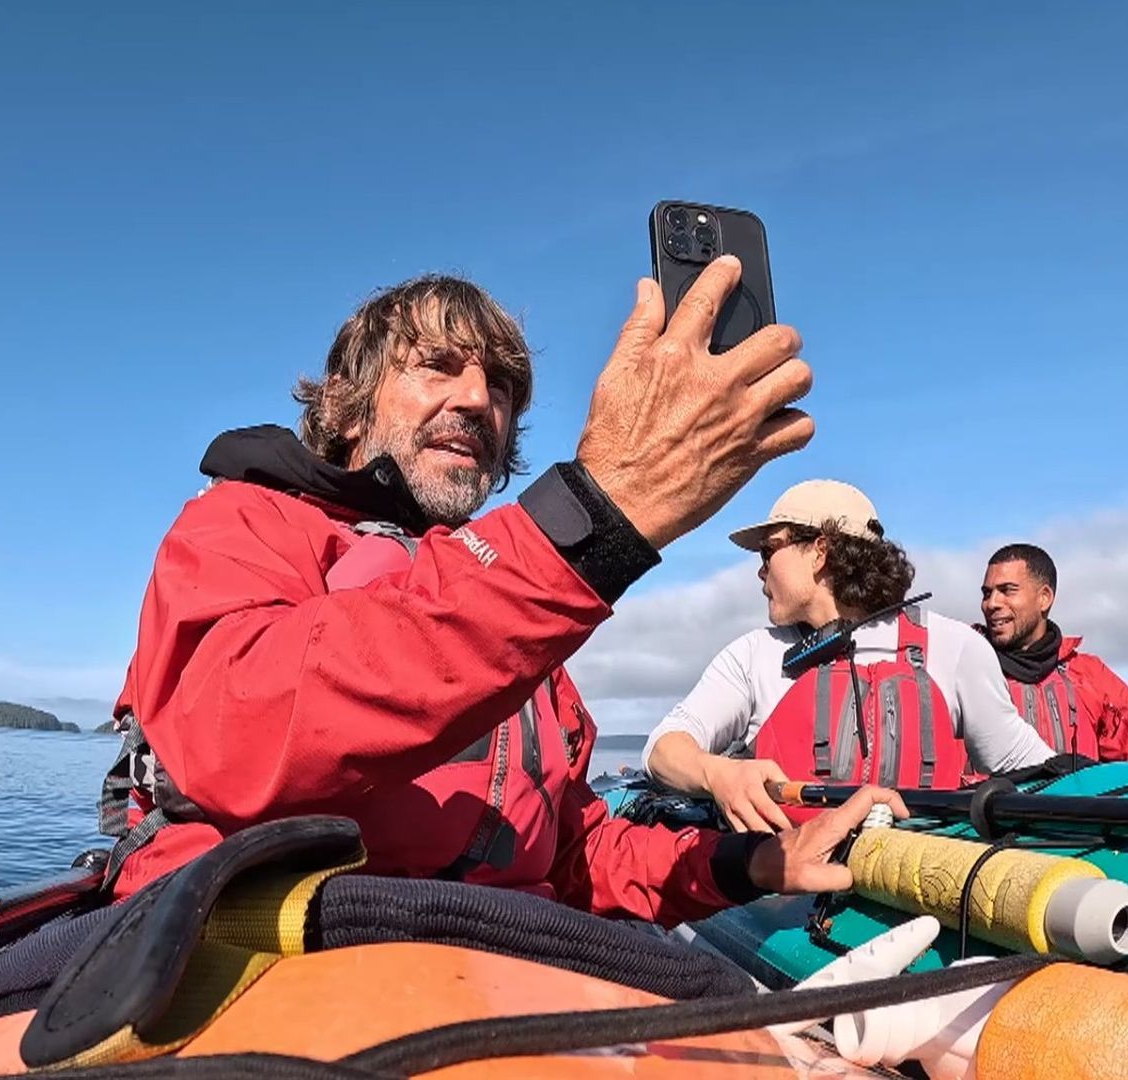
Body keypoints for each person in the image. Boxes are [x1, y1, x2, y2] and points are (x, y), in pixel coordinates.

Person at [98, 257, 905, 932]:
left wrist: (757, 860)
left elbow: (579, 856)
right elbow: (238, 732)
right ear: (349, 402)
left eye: (503, 386)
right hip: (280, 954)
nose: (480, 399)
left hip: (506, 969)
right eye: (438, 366)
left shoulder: (521, 616)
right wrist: (597, 516)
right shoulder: (244, 525)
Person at [642, 480, 1055, 833]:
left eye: (769, 552)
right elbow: (662, 751)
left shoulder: (956, 647)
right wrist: (718, 774)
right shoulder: (752, 656)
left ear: (820, 551)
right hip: (784, 903)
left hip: (922, 892)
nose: (761, 571)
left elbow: (1035, 770)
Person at [980, 543, 1128, 761]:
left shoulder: (1088, 675)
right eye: (987, 593)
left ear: (1044, 598)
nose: (991, 603)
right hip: (987, 795)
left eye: (1007, 590)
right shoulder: (964, 672)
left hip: (1074, 793)